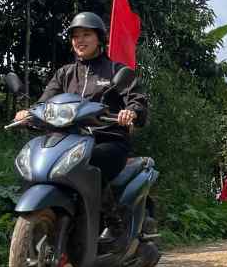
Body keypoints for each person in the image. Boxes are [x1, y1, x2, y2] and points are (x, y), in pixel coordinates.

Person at [13, 12, 148, 241]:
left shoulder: (115, 70)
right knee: (36, 162)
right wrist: (29, 113)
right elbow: (44, 102)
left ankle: (112, 222)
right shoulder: (64, 73)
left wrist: (131, 112)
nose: (80, 40)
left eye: (86, 34)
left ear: (99, 39)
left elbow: (136, 99)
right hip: (68, 140)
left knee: (93, 162)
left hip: (108, 140)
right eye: (75, 36)